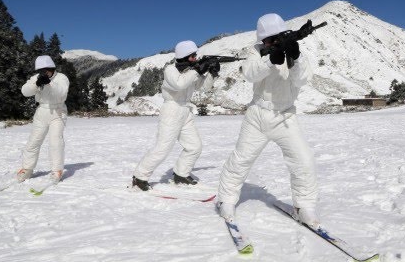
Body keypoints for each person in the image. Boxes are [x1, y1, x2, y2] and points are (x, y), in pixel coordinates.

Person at [216, 13, 320, 227]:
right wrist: (270, 60)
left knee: (303, 160)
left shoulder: (293, 50)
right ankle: (226, 199)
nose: (273, 42)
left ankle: (305, 206)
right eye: (269, 40)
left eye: (277, 37)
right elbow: (250, 73)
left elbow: (303, 79)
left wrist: (296, 58)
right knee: (241, 159)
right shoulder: (255, 53)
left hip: (285, 117)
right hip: (257, 116)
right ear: (263, 41)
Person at [132, 40, 218, 191]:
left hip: (185, 111)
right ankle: (140, 177)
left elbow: (203, 87)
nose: (195, 59)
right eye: (192, 56)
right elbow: (179, 84)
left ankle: (181, 174)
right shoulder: (170, 70)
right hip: (171, 110)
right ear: (184, 56)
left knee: (194, 146)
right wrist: (197, 70)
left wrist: (212, 73)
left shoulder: (192, 71)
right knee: (162, 148)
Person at [17, 55, 69, 183]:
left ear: (52, 68)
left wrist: (50, 83)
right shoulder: (37, 78)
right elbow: (25, 91)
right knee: (34, 142)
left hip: (58, 112)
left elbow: (61, 93)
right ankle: (27, 169)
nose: (44, 73)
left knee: (55, 142)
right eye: (41, 71)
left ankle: (57, 170)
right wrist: (36, 84)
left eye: (46, 70)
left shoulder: (62, 78)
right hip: (41, 112)